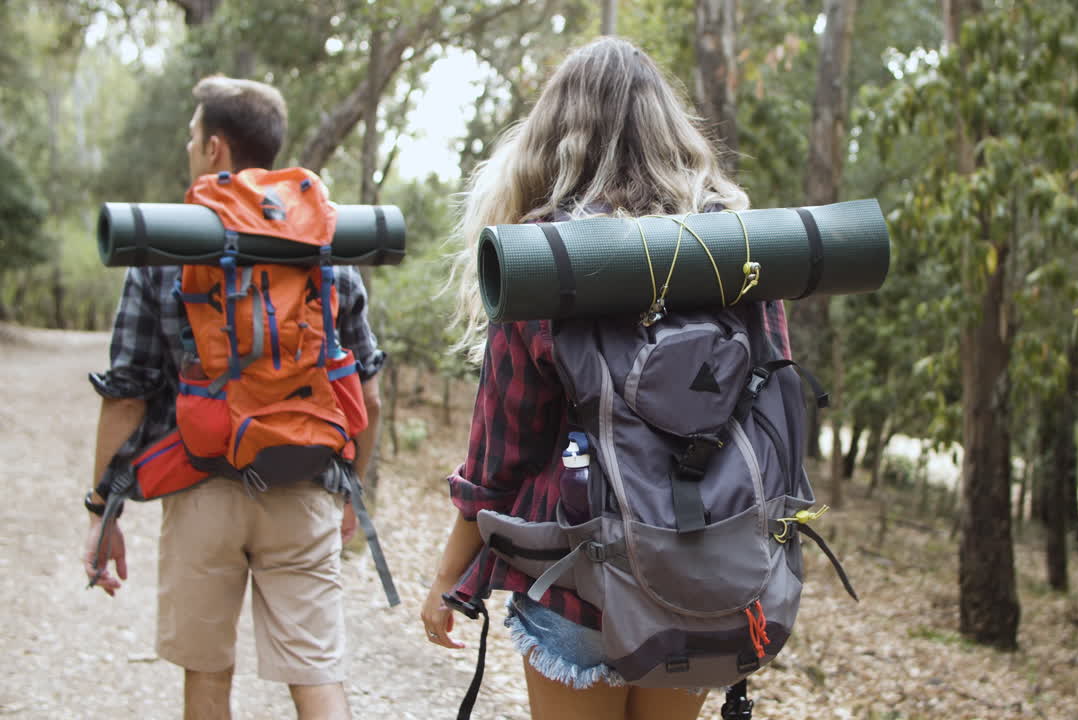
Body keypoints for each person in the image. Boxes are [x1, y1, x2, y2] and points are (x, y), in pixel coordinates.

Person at [421, 37, 789, 720]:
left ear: (554, 134)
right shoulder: (741, 253)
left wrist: (452, 578)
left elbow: (500, 452)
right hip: (706, 578)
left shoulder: (544, 262)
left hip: (578, 580)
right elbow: (775, 418)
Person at [80, 76, 384, 720]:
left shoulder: (163, 246)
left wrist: (101, 507)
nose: (189, 147)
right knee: (317, 675)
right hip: (304, 483)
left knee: (209, 679)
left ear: (215, 148)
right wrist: (352, 486)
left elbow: (127, 397)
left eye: (193, 137)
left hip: (202, 487)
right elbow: (370, 395)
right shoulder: (325, 248)